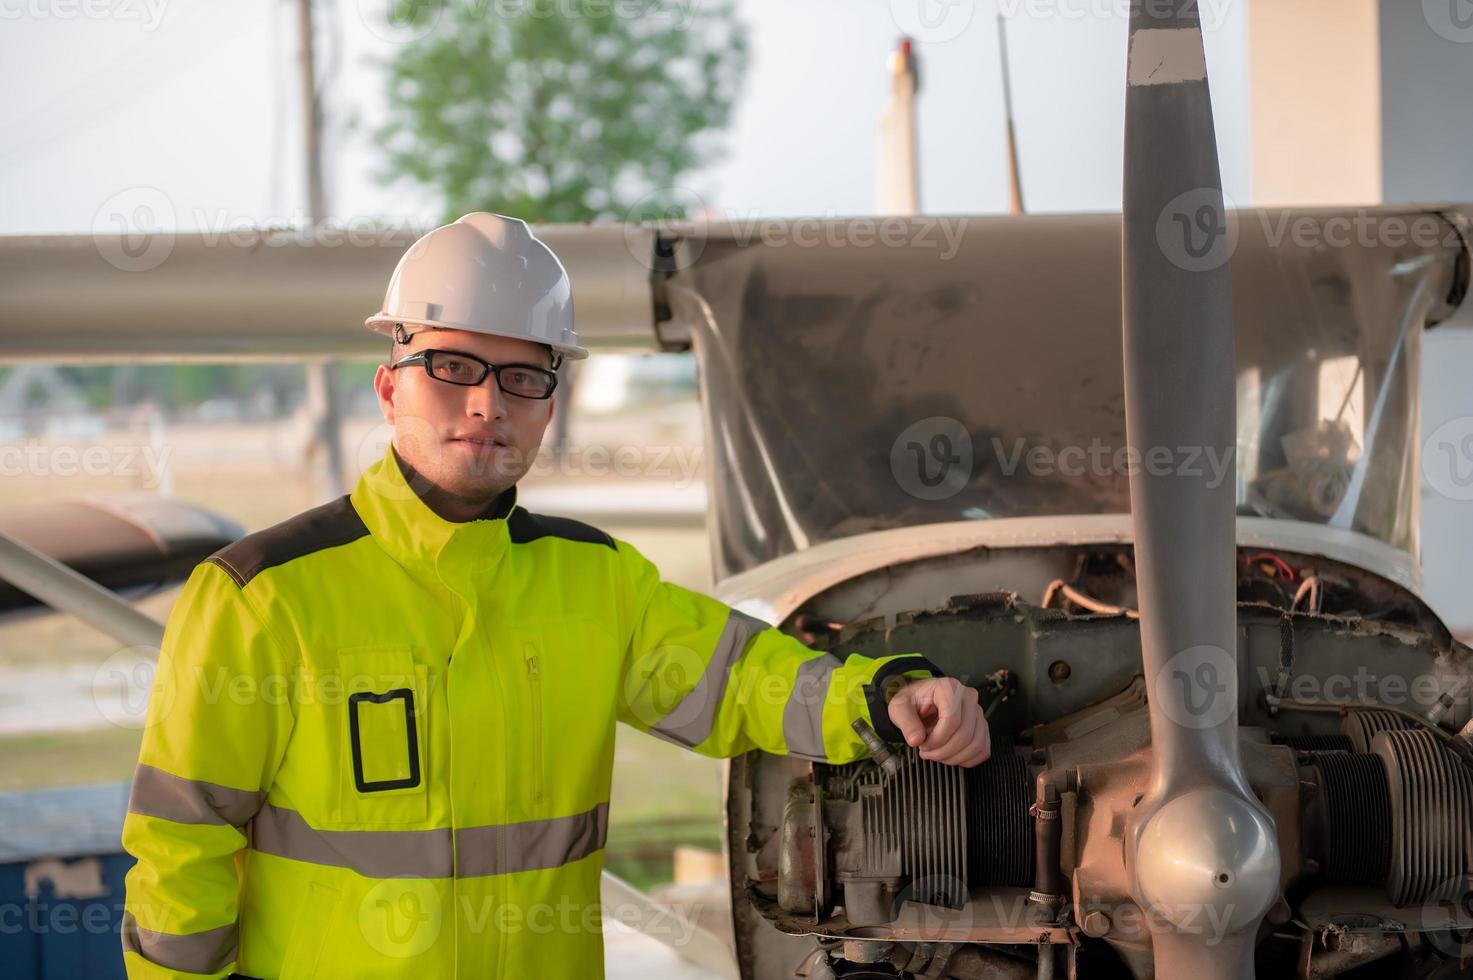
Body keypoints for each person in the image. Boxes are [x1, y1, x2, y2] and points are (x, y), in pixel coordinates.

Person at [120, 212, 991, 979]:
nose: (485, 403)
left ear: (548, 406)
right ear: (390, 387)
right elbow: (179, 849)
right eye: (452, 365)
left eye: (521, 377)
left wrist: (881, 697)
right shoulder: (256, 597)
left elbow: (738, 679)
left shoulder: (595, 581)